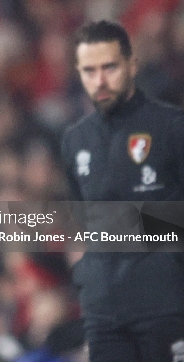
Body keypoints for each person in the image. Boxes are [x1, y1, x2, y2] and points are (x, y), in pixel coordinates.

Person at [61, 20, 184, 362]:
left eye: (109, 67)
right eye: (88, 71)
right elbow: (82, 221)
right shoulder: (75, 141)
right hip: (104, 314)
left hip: (166, 305)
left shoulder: (172, 128)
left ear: (132, 64)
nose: (99, 80)